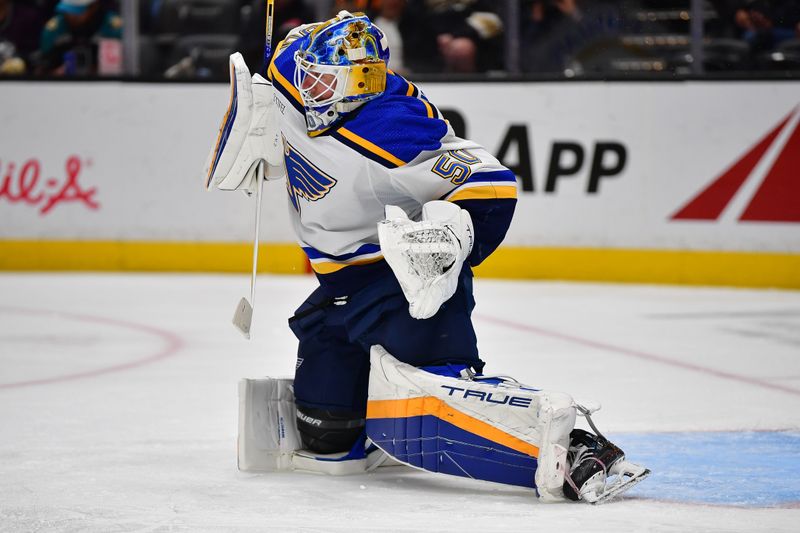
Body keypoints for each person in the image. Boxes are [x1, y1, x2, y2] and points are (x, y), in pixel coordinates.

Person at [206, 10, 648, 503]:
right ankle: (375, 421)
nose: (347, 91)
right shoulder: (284, 95)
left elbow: (490, 183)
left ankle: (577, 449)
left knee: (431, 398)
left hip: (403, 290)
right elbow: (236, 165)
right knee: (326, 434)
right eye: (326, 77)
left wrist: (448, 241)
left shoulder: (390, 126)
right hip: (338, 292)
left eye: (364, 78)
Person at [38, 0, 121, 75]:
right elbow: (42, 68)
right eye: (67, 10)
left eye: (77, 11)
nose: (71, 15)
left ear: (94, 7)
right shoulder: (53, 31)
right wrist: (55, 74)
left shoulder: (114, 29)